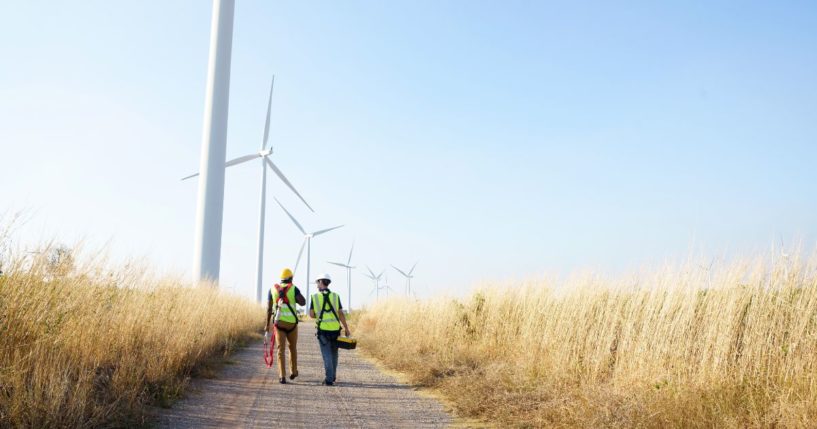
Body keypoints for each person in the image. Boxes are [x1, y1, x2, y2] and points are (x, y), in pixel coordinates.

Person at [309, 273, 351, 386]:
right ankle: (333, 376)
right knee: (334, 354)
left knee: (326, 355)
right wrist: (346, 328)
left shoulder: (315, 297)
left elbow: (311, 315)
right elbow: (341, 313)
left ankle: (329, 379)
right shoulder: (336, 296)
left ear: (321, 282)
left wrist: (320, 314)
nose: (317, 284)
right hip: (336, 330)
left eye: (318, 282)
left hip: (323, 331)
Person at [266, 267, 306, 384]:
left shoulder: (272, 289)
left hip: (279, 324)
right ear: (291, 278)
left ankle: (281, 376)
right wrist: (294, 297)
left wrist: (267, 324)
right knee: (292, 348)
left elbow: (268, 309)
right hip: (292, 324)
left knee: (280, 350)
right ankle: (293, 371)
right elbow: (303, 302)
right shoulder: (294, 289)